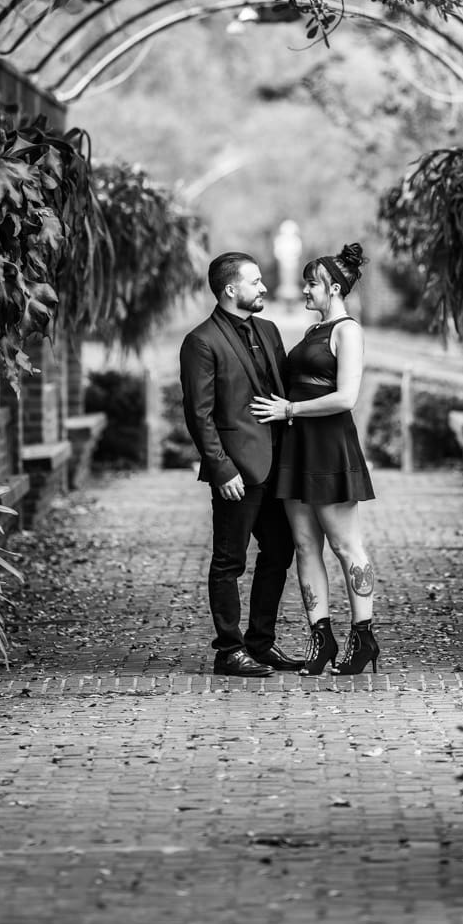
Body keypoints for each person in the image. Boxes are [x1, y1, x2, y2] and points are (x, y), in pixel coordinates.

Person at [251, 242, 378, 676]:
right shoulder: (311, 333)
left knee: (345, 546)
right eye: (305, 282)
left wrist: (291, 410)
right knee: (305, 546)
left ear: (335, 287)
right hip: (296, 446)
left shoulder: (348, 331)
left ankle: (364, 639)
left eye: (312, 284)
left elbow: (346, 398)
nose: (306, 291)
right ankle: (320, 638)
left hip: (328, 447)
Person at [179, 252, 306, 677]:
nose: (264, 287)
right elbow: (200, 414)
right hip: (236, 471)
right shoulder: (201, 341)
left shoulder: (269, 331)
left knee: (280, 551)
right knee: (229, 561)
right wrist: (221, 469)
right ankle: (228, 651)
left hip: (277, 467)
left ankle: (261, 643)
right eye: (255, 281)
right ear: (231, 289)